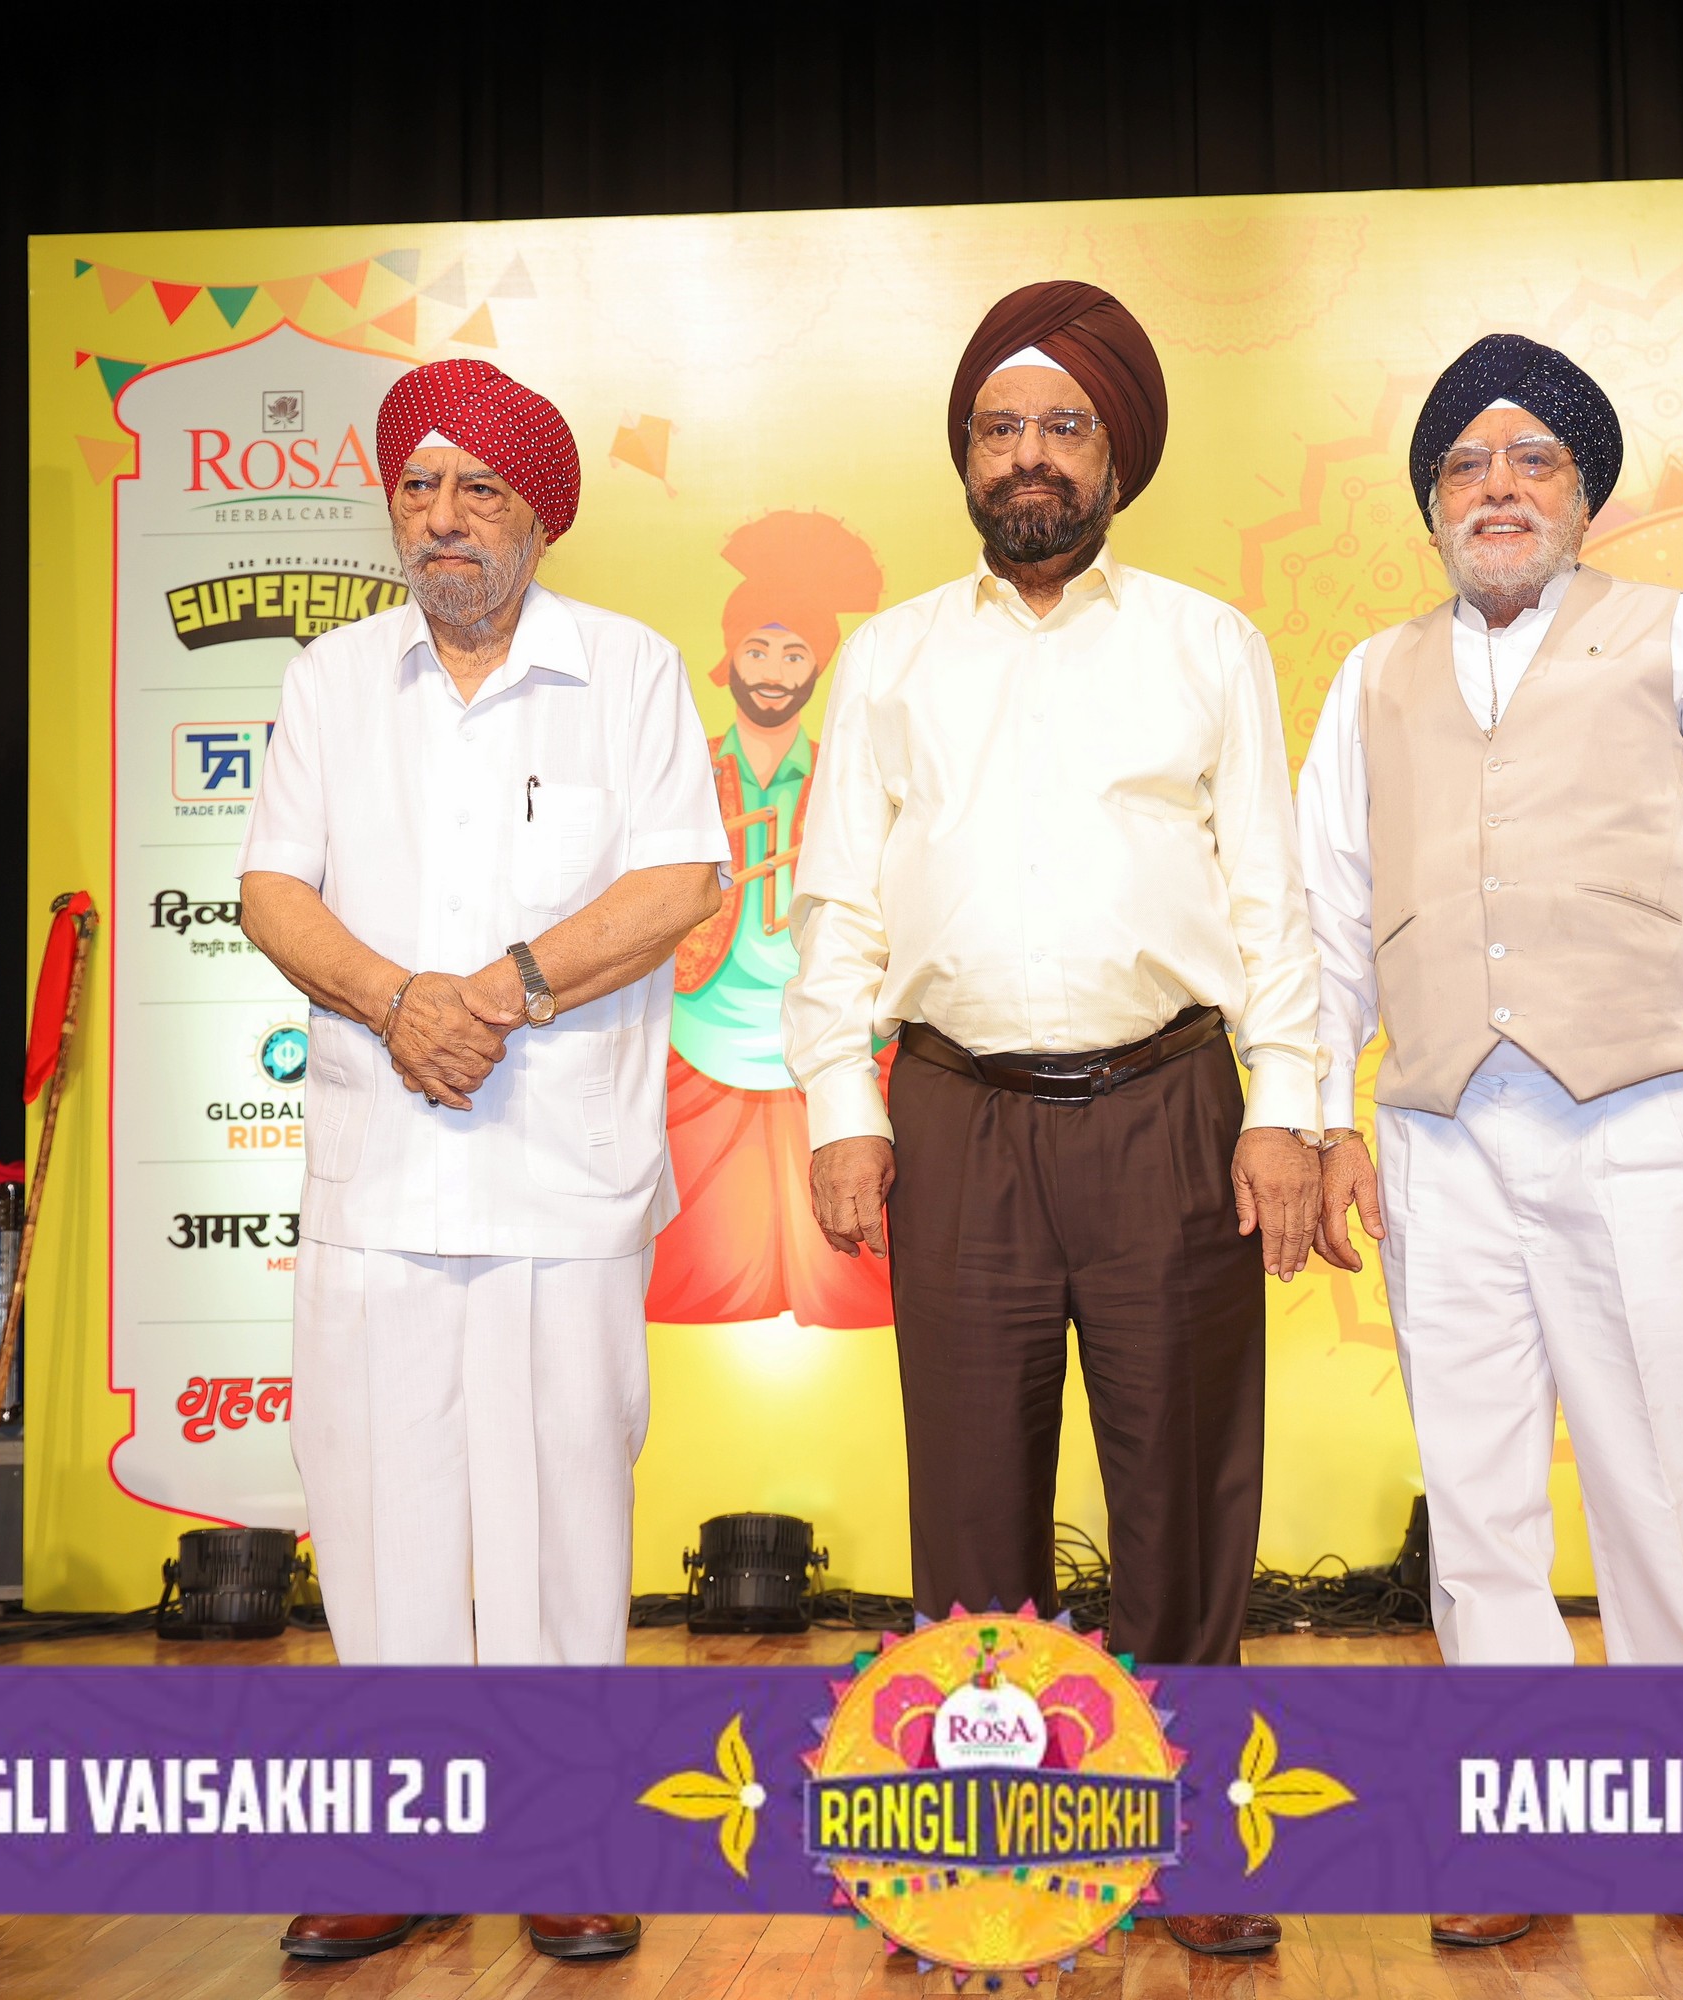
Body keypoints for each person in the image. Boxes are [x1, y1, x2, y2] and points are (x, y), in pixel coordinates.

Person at [785, 280, 1325, 1961]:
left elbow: (1272, 895)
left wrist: (1289, 1107)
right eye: (1001, 427)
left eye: (1064, 427)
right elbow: (836, 905)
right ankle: (979, 1841)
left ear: (1118, 458)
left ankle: (1190, 1844)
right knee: (968, 1505)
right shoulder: (892, 656)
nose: (1031, 455)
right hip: (956, 1117)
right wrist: (841, 1105)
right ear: (966, 455)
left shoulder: (1208, 644)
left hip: (1172, 1108)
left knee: (1186, 1497)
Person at [1295, 334, 1683, 1958]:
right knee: (1477, 1503)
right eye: (1466, 465)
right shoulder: (1370, 677)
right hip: (1440, 1136)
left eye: (1533, 460)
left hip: (1650, 1122)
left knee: (1672, 1482)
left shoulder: (1677, 641)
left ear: (1585, 495)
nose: (1499, 488)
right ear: (1432, 506)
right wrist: (1324, 1116)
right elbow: (1327, 924)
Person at [237, 356, 728, 1964]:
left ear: (540, 518)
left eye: (480, 490)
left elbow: (679, 881)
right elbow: (271, 892)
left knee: (560, 1523)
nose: (444, 518)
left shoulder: (629, 669)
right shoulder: (331, 680)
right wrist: (400, 1004)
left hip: (559, 1172)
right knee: (377, 1517)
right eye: (419, 487)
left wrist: (497, 994)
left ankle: (563, 1837)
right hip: (380, 1169)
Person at [649, 512, 893, 1329]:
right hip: (699, 1032)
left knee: (850, 1266)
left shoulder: (843, 777)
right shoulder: (683, 774)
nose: (776, 673)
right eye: (758, 650)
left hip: (829, 1034)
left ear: (819, 667)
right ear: (730, 657)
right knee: (706, 1266)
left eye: (795, 655)